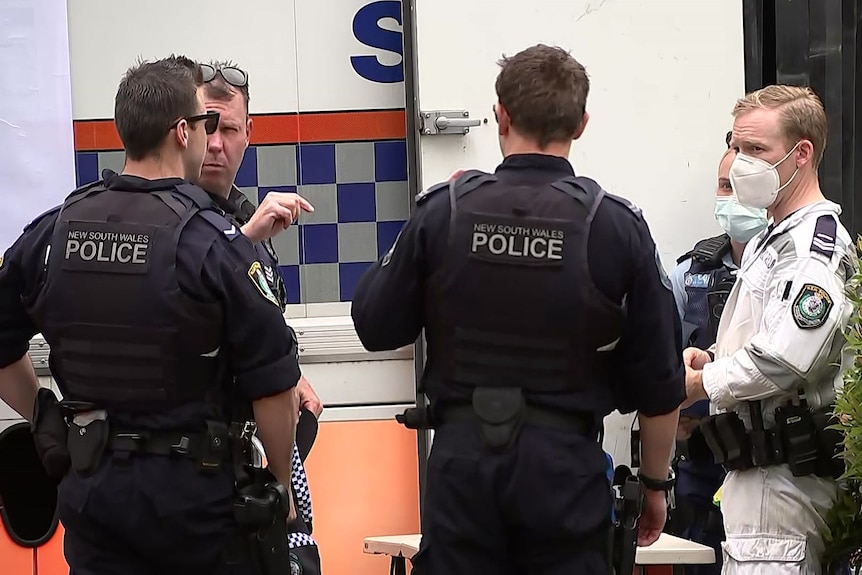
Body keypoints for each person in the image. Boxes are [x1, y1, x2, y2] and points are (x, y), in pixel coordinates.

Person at [350, 44, 684, 575]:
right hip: (565, 471)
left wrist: (424, 239)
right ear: (581, 123)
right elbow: (662, 384)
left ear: (500, 115)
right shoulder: (615, 225)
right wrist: (655, 484)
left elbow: (373, 324)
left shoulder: (446, 211)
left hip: (463, 468)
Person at [0, 55, 303, 574]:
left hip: (96, 504)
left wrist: (43, 415)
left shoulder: (56, 231)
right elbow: (274, 387)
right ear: (182, 132)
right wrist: (280, 485)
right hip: (196, 513)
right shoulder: (213, 242)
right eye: (206, 125)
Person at [683, 85, 856, 575]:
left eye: (757, 150)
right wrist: (712, 361)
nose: (740, 163)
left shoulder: (810, 250)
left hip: (782, 485)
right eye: (737, 147)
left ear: (802, 154)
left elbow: (784, 358)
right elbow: (759, 340)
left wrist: (700, 384)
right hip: (757, 484)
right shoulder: (773, 239)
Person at [196, 60, 322, 574]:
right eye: (206, 127)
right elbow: (190, 299)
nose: (215, 144)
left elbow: (252, 327)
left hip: (249, 458)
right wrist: (244, 240)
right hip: (199, 469)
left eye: (228, 129)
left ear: (249, 135)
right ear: (183, 130)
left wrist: (288, 378)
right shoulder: (178, 215)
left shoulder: (241, 214)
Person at [667, 140, 768, 575]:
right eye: (722, 185)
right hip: (702, 460)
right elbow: (661, 359)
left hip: (767, 458)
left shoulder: (789, 266)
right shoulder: (690, 274)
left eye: (737, 186)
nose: (728, 197)